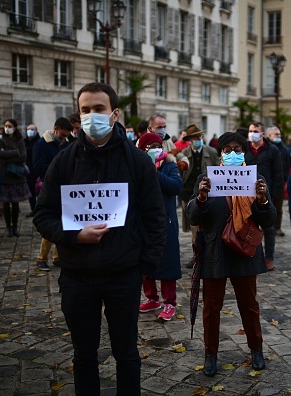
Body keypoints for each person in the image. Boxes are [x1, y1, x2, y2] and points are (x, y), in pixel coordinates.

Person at [33, 82, 166, 395]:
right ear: (79, 116)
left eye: (99, 109)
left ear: (115, 113)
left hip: (124, 275)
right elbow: (43, 216)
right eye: (86, 110)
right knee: (84, 355)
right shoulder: (63, 162)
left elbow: (154, 217)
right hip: (77, 277)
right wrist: (75, 235)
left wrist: (145, 265)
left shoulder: (137, 162)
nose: (92, 115)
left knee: (127, 354)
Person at [186, 132, 276, 377]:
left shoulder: (255, 179)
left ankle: (256, 349)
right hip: (215, 251)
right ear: (220, 153)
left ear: (245, 153)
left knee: (249, 306)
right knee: (211, 307)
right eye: (228, 150)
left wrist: (263, 200)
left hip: (245, 251)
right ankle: (210, 354)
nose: (233, 153)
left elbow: (269, 219)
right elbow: (192, 216)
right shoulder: (208, 178)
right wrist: (202, 198)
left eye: (238, 149)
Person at [136, 132, 183, 321]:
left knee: (168, 262)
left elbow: (176, 186)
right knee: (146, 261)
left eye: (158, 146)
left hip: (166, 222)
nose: (155, 150)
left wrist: (155, 174)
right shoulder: (138, 167)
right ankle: (151, 298)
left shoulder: (170, 165)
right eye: (150, 147)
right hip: (144, 222)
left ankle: (169, 302)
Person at [32, 118, 72, 271]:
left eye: (65, 136)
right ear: (55, 129)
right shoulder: (41, 144)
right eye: (62, 134)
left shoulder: (66, 144)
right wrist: (58, 167)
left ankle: (57, 256)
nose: (63, 138)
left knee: (64, 222)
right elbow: (38, 167)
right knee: (51, 222)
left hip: (65, 187)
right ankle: (41, 257)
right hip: (49, 188)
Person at [179, 124, 220, 268]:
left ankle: (211, 254)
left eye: (200, 136)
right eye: (195, 137)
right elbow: (181, 175)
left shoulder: (211, 152)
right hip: (189, 195)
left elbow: (218, 170)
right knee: (194, 227)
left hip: (209, 194)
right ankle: (197, 255)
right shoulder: (183, 153)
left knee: (210, 225)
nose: (199, 139)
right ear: (189, 139)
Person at [246, 122, 283, 271]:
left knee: (269, 228)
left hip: (267, 194)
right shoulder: (245, 150)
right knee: (249, 226)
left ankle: (269, 258)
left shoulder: (272, 150)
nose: (252, 133)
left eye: (255, 131)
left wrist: (272, 196)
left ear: (262, 134)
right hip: (248, 194)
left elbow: (278, 174)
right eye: (250, 130)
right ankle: (251, 254)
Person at [0, 118, 31, 237]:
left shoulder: (19, 140)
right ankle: (8, 227)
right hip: (5, 174)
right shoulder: (1, 140)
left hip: (16, 175)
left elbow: (23, 157)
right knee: (5, 203)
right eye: (6, 125)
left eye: (9, 126)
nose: (7, 128)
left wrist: (7, 155)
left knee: (15, 203)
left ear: (14, 128)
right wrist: (14, 152)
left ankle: (15, 227)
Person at [267, 126, 291, 237]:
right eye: (276, 134)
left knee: (278, 207)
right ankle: (266, 227)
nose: (279, 136)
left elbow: (288, 164)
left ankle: (277, 227)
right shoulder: (267, 148)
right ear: (269, 136)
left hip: (280, 181)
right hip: (267, 180)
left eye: (279, 134)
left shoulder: (283, 149)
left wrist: (286, 178)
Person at [24, 123, 40, 217]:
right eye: (28, 129)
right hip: (28, 170)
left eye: (32, 129)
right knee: (31, 192)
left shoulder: (39, 141)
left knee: (40, 191)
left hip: (37, 169)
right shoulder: (24, 141)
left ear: (36, 131)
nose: (30, 131)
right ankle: (33, 209)